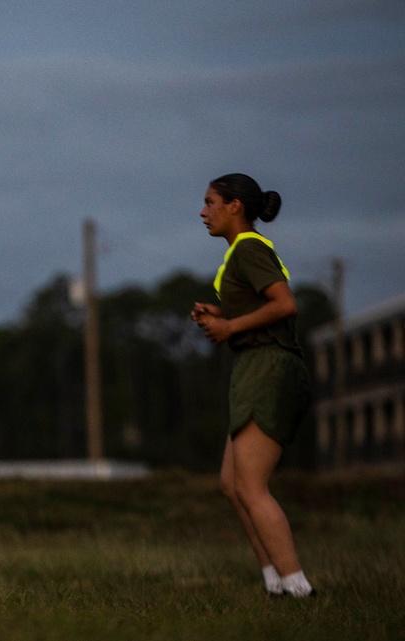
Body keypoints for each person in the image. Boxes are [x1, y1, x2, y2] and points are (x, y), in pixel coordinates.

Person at [190, 173, 315, 598]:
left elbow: (285, 304)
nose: (202, 212)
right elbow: (260, 304)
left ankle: (298, 588)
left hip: (270, 368)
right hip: (252, 366)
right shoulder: (239, 254)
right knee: (232, 483)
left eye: (210, 203)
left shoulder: (249, 249)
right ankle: (274, 581)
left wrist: (229, 325)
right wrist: (220, 311)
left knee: (251, 486)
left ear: (234, 207)